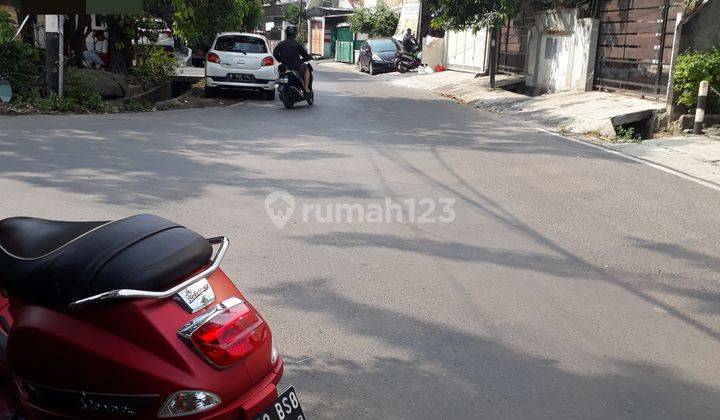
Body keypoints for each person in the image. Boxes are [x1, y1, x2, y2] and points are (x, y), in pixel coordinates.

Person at [273, 26, 313, 93]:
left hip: (284, 66)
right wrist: (305, 59)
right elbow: (305, 55)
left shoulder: (281, 44)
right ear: (295, 34)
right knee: (306, 68)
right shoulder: (297, 44)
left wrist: (281, 60)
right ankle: (306, 88)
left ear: (286, 33)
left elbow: (275, 54)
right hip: (296, 66)